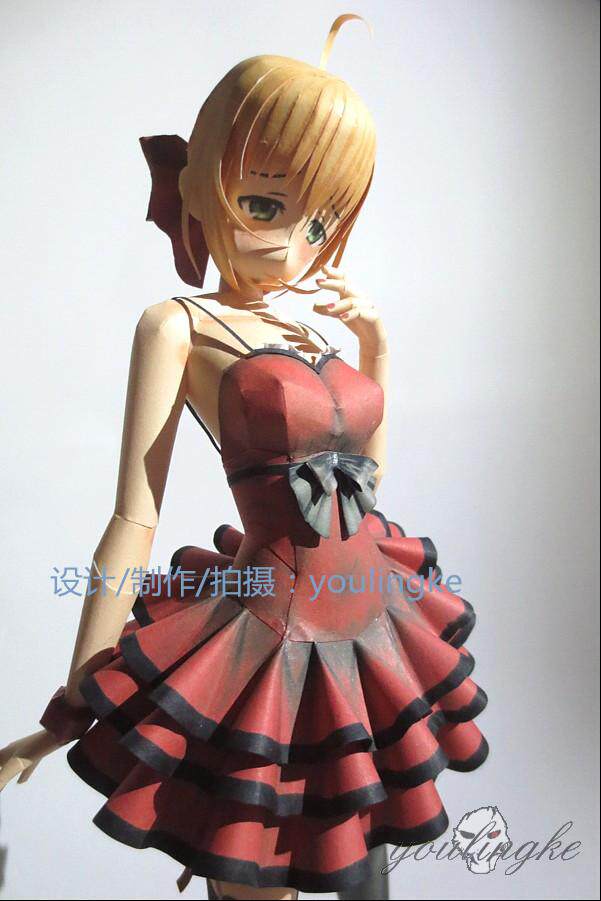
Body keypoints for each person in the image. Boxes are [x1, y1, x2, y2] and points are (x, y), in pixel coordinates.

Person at [0, 15, 488, 900]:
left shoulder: (311, 329)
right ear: (201, 184)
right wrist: (75, 700)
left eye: (319, 222)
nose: (292, 244)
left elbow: (364, 487)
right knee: (256, 865)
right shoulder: (177, 324)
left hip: (371, 627)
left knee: (362, 872)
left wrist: (376, 347)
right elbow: (134, 513)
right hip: (268, 642)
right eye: (265, 205)